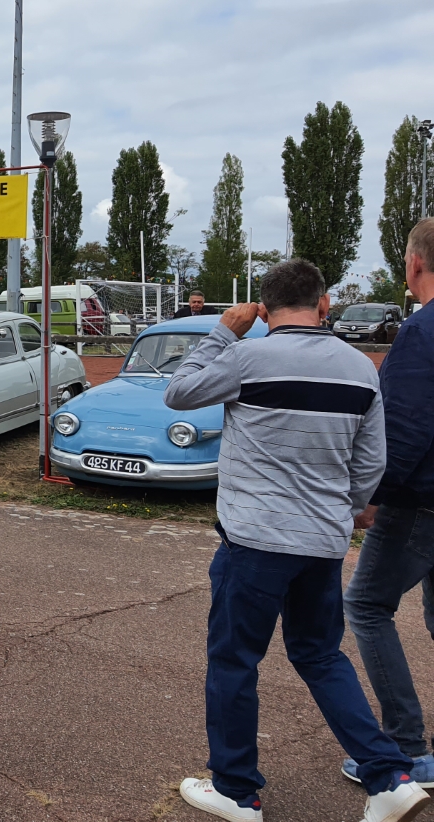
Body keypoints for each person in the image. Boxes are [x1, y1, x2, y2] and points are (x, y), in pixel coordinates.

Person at [164, 258, 428, 822]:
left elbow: (179, 393)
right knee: (320, 654)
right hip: (322, 542)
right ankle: (388, 776)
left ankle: (237, 791)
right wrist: (346, 509)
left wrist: (223, 332)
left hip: (254, 541)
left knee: (234, 661)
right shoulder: (359, 368)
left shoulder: (247, 358)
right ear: (324, 304)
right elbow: (371, 460)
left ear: (264, 310)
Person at [343, 219, 434, 788]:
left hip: (419, 501)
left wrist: (371, 496)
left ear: (415, 263)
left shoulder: (421, 331)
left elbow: (403, 427)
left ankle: (406, 747)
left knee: (367, 606)